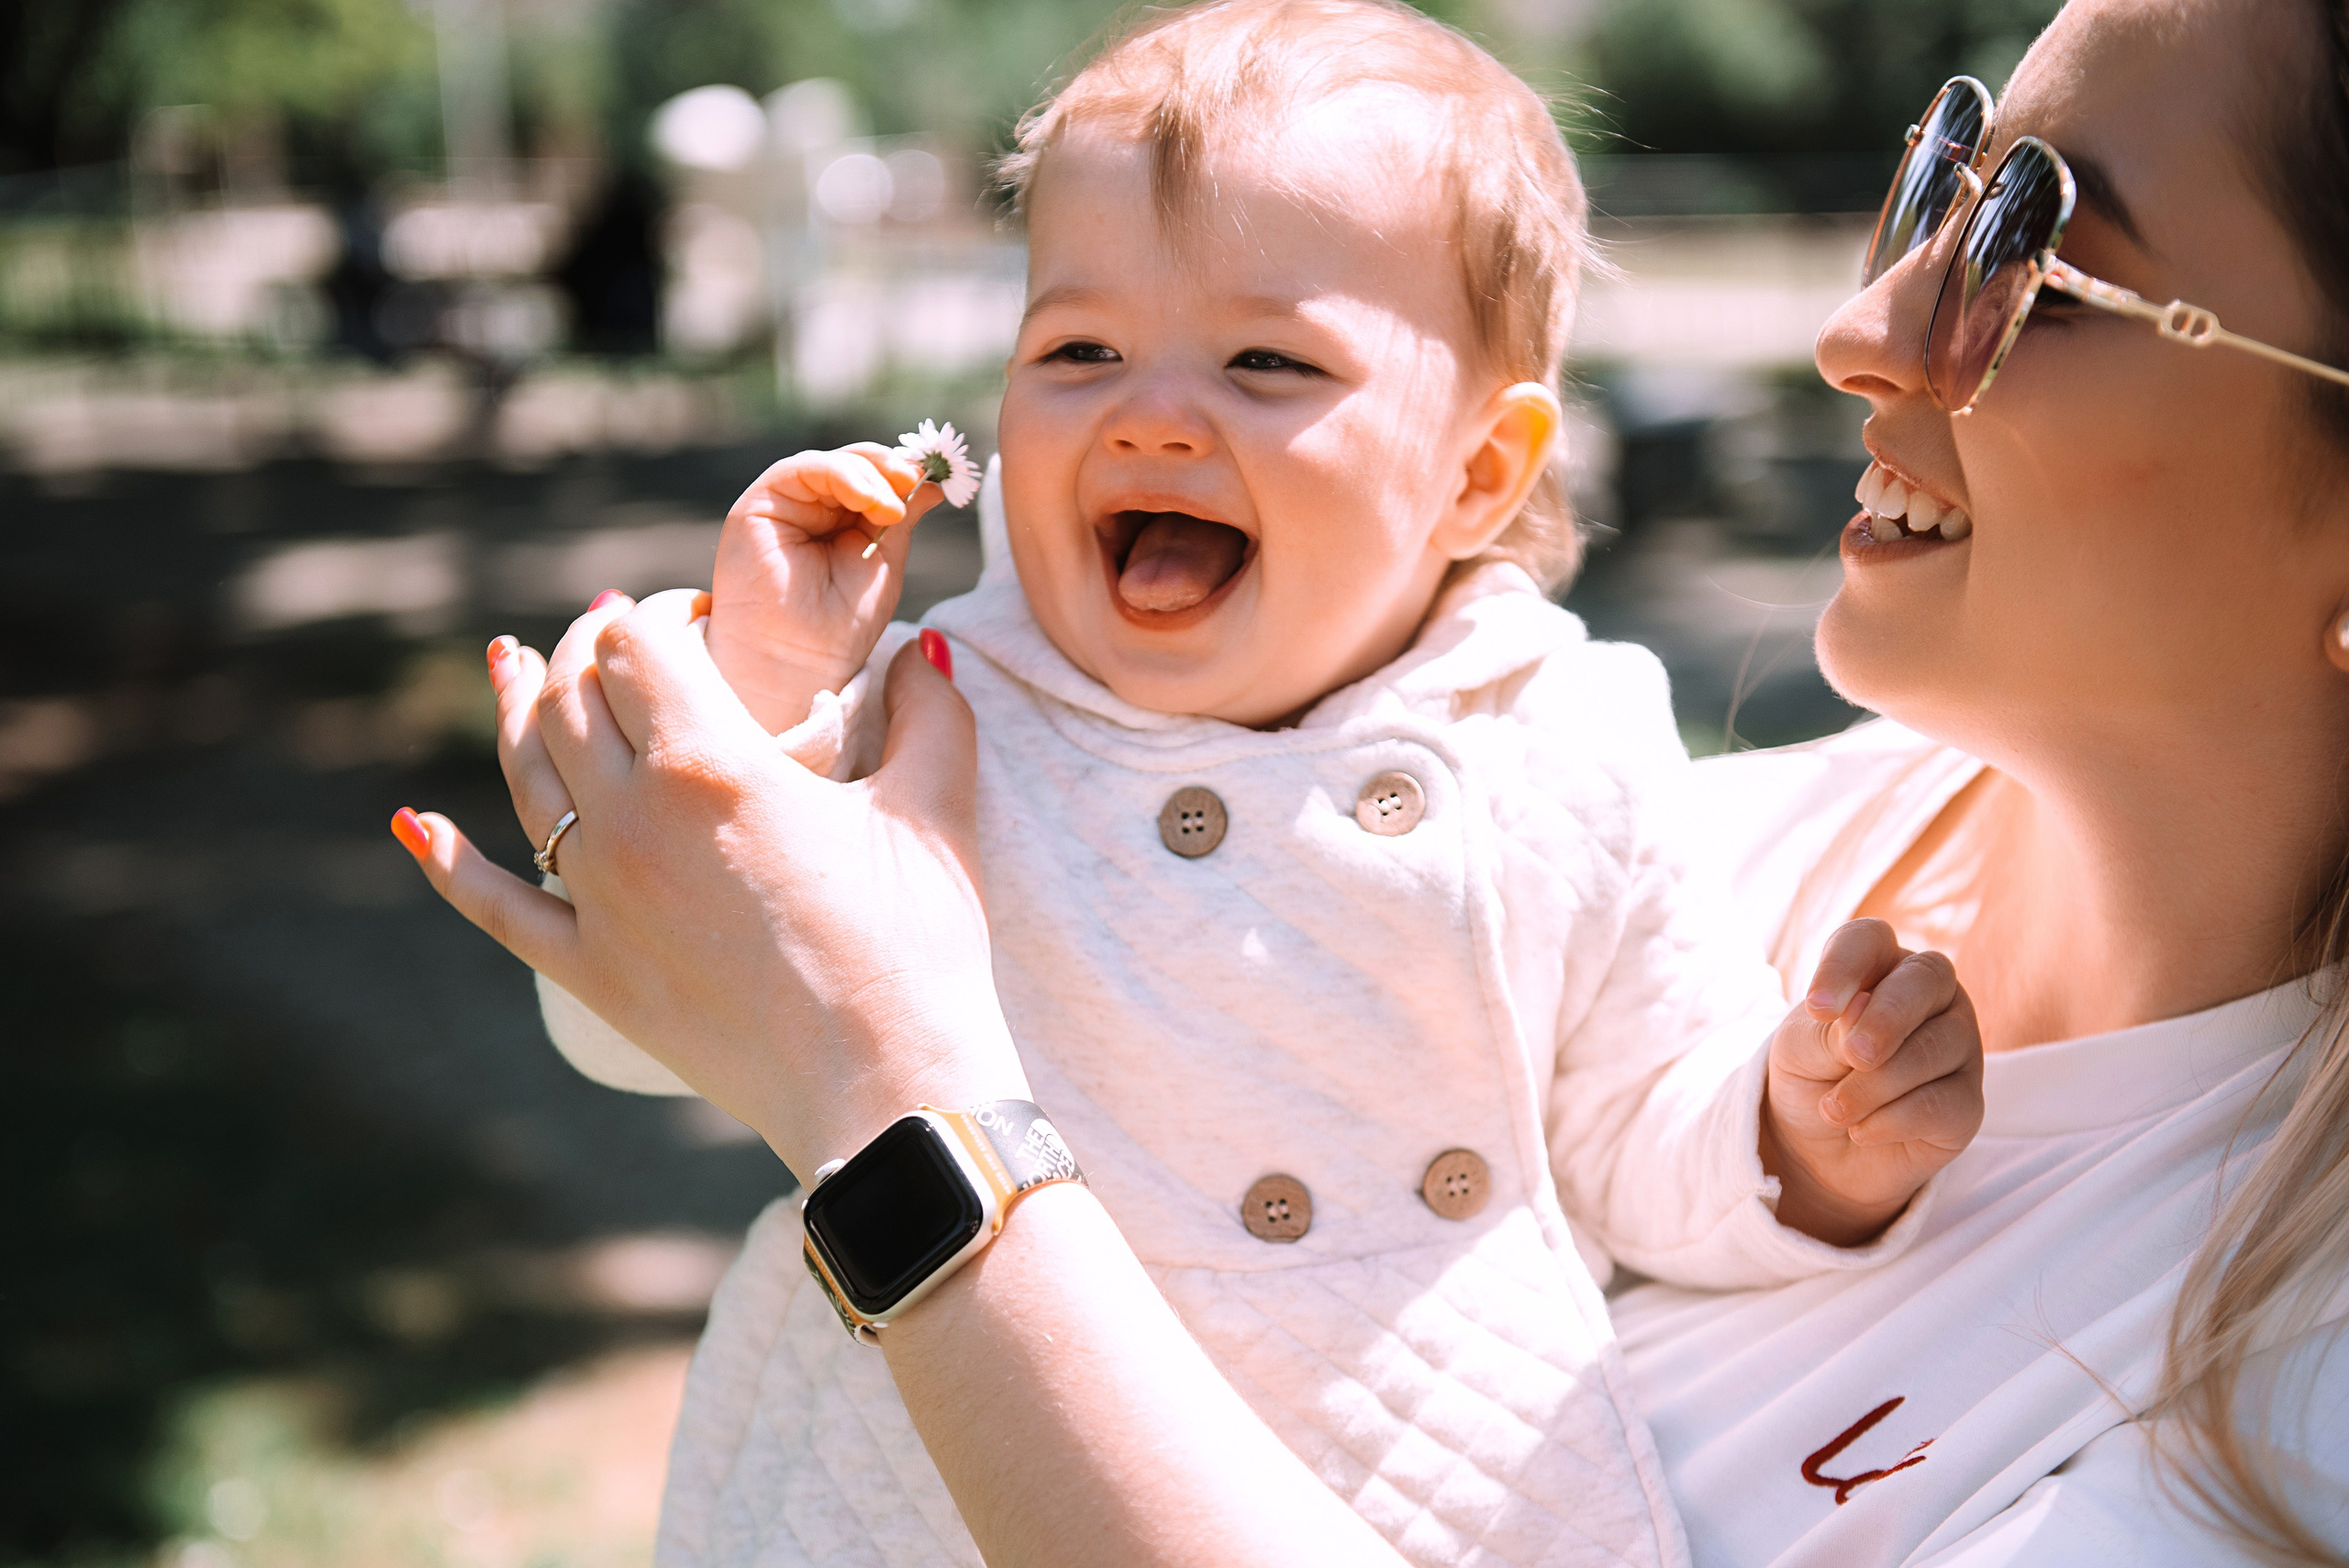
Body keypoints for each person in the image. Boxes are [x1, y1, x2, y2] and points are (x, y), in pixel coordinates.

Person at [390, 0, 2349, 1561]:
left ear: (1481, 473)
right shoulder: (945, 704)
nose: (1860, 328)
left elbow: (1637, 1121)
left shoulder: (1560, 751)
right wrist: (757, 704)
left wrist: (1791, 1143)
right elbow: (659, 1002)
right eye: (1076, 349)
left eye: (2033, 252)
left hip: (1429, 1469)